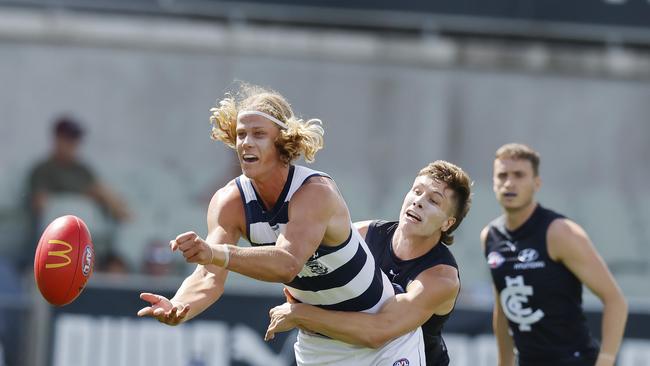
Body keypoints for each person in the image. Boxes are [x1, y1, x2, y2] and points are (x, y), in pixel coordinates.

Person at [137, 83, 424, 365]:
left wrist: (213, 252)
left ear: (283, 142)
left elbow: (286, 263)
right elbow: (210, 277)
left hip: (382, 335)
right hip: (320, 348)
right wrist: (179, 305)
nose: (246, 142)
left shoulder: (314, 192)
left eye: (259, 134)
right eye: (240, 135)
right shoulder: (229, 201)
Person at [265, 160, 472, 366]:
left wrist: (301, 314)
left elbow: (378, 332)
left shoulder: (441, 277)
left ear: (447, 223)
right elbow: (306, 259)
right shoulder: (363, 235)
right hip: (350, 354)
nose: (418, 202)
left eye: (434, 201)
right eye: (416, 191)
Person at [481, 143, 628, 366]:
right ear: (494, 183)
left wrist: (606, 360)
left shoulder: (560, 232)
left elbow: (615, 300)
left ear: (536, 183)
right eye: (502, 175)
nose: (509, 183)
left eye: (519, 175)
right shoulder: (490, 236)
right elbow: (502, 310)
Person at [25, 115, 130, 265]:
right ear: (57, 139)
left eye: (75, 139)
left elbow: (110, 200)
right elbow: (39, 204)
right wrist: (83, 196)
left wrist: (102, 198)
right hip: (56, 245)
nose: (73, 144)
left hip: (86, 243)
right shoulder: (43, 170)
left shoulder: (83, 171)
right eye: (68, 138)